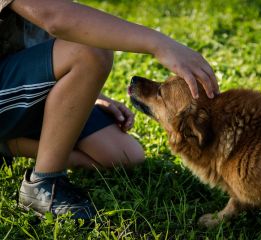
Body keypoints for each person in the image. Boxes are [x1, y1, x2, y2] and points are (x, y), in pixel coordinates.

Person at [0, 0, 219, 220]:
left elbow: (52, 35)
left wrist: (84, 92)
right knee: (91, 51)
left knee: (124, 155)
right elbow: (54, 18)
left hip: (20, 82)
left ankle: (8, 145)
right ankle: (43, 184)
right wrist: (160, 44)